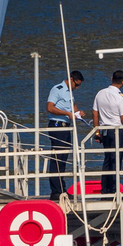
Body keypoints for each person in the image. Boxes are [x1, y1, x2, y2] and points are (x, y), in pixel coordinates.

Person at [45, 70, 86, 198]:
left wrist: (78, 113)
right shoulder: (57, 89)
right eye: (76, 85)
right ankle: (56, 191)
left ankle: (61, 189)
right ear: (71, 79)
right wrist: (67, 114)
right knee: (57, 157)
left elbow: (72, 107)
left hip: (66, 126)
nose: (77, 88)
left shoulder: (70, 93)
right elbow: (50, 108)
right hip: (57, 125)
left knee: (63, 158)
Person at [93, 69, 123, 195]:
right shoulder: (120, 98)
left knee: (107, 160)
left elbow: (95, 113)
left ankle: (105, 189)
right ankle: (114, 190)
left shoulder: (100, 93)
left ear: (111, 79)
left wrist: (97, 131)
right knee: (116, 161)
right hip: (117, 131)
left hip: (104, 131)